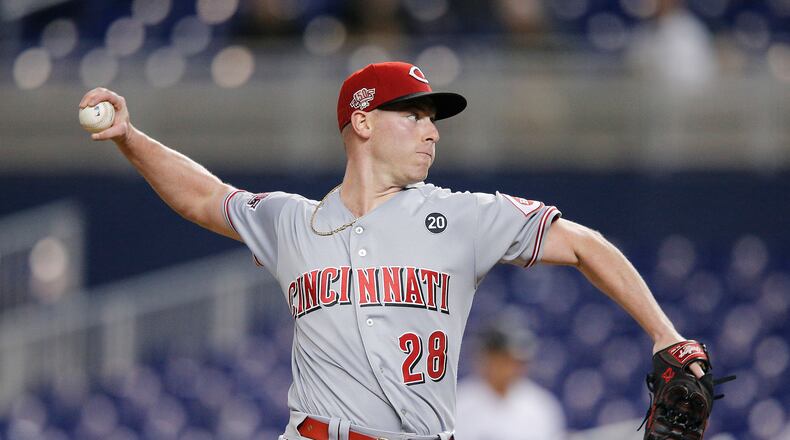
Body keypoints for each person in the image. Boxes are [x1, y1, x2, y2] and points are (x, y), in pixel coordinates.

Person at [79, 61, 704, 440]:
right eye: (414, 114)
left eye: (434, 118)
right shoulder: (293, 223)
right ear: (364, 120)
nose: (432, 129)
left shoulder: (462, 215)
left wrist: (665, 335)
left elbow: (586, 245)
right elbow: (205, 198)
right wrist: (130, 138)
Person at [455, 320, 566, 440]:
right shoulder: (459, 403)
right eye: (504, 359)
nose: (511, 367)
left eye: (517, 361)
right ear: (487, 357)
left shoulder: (542, 405)